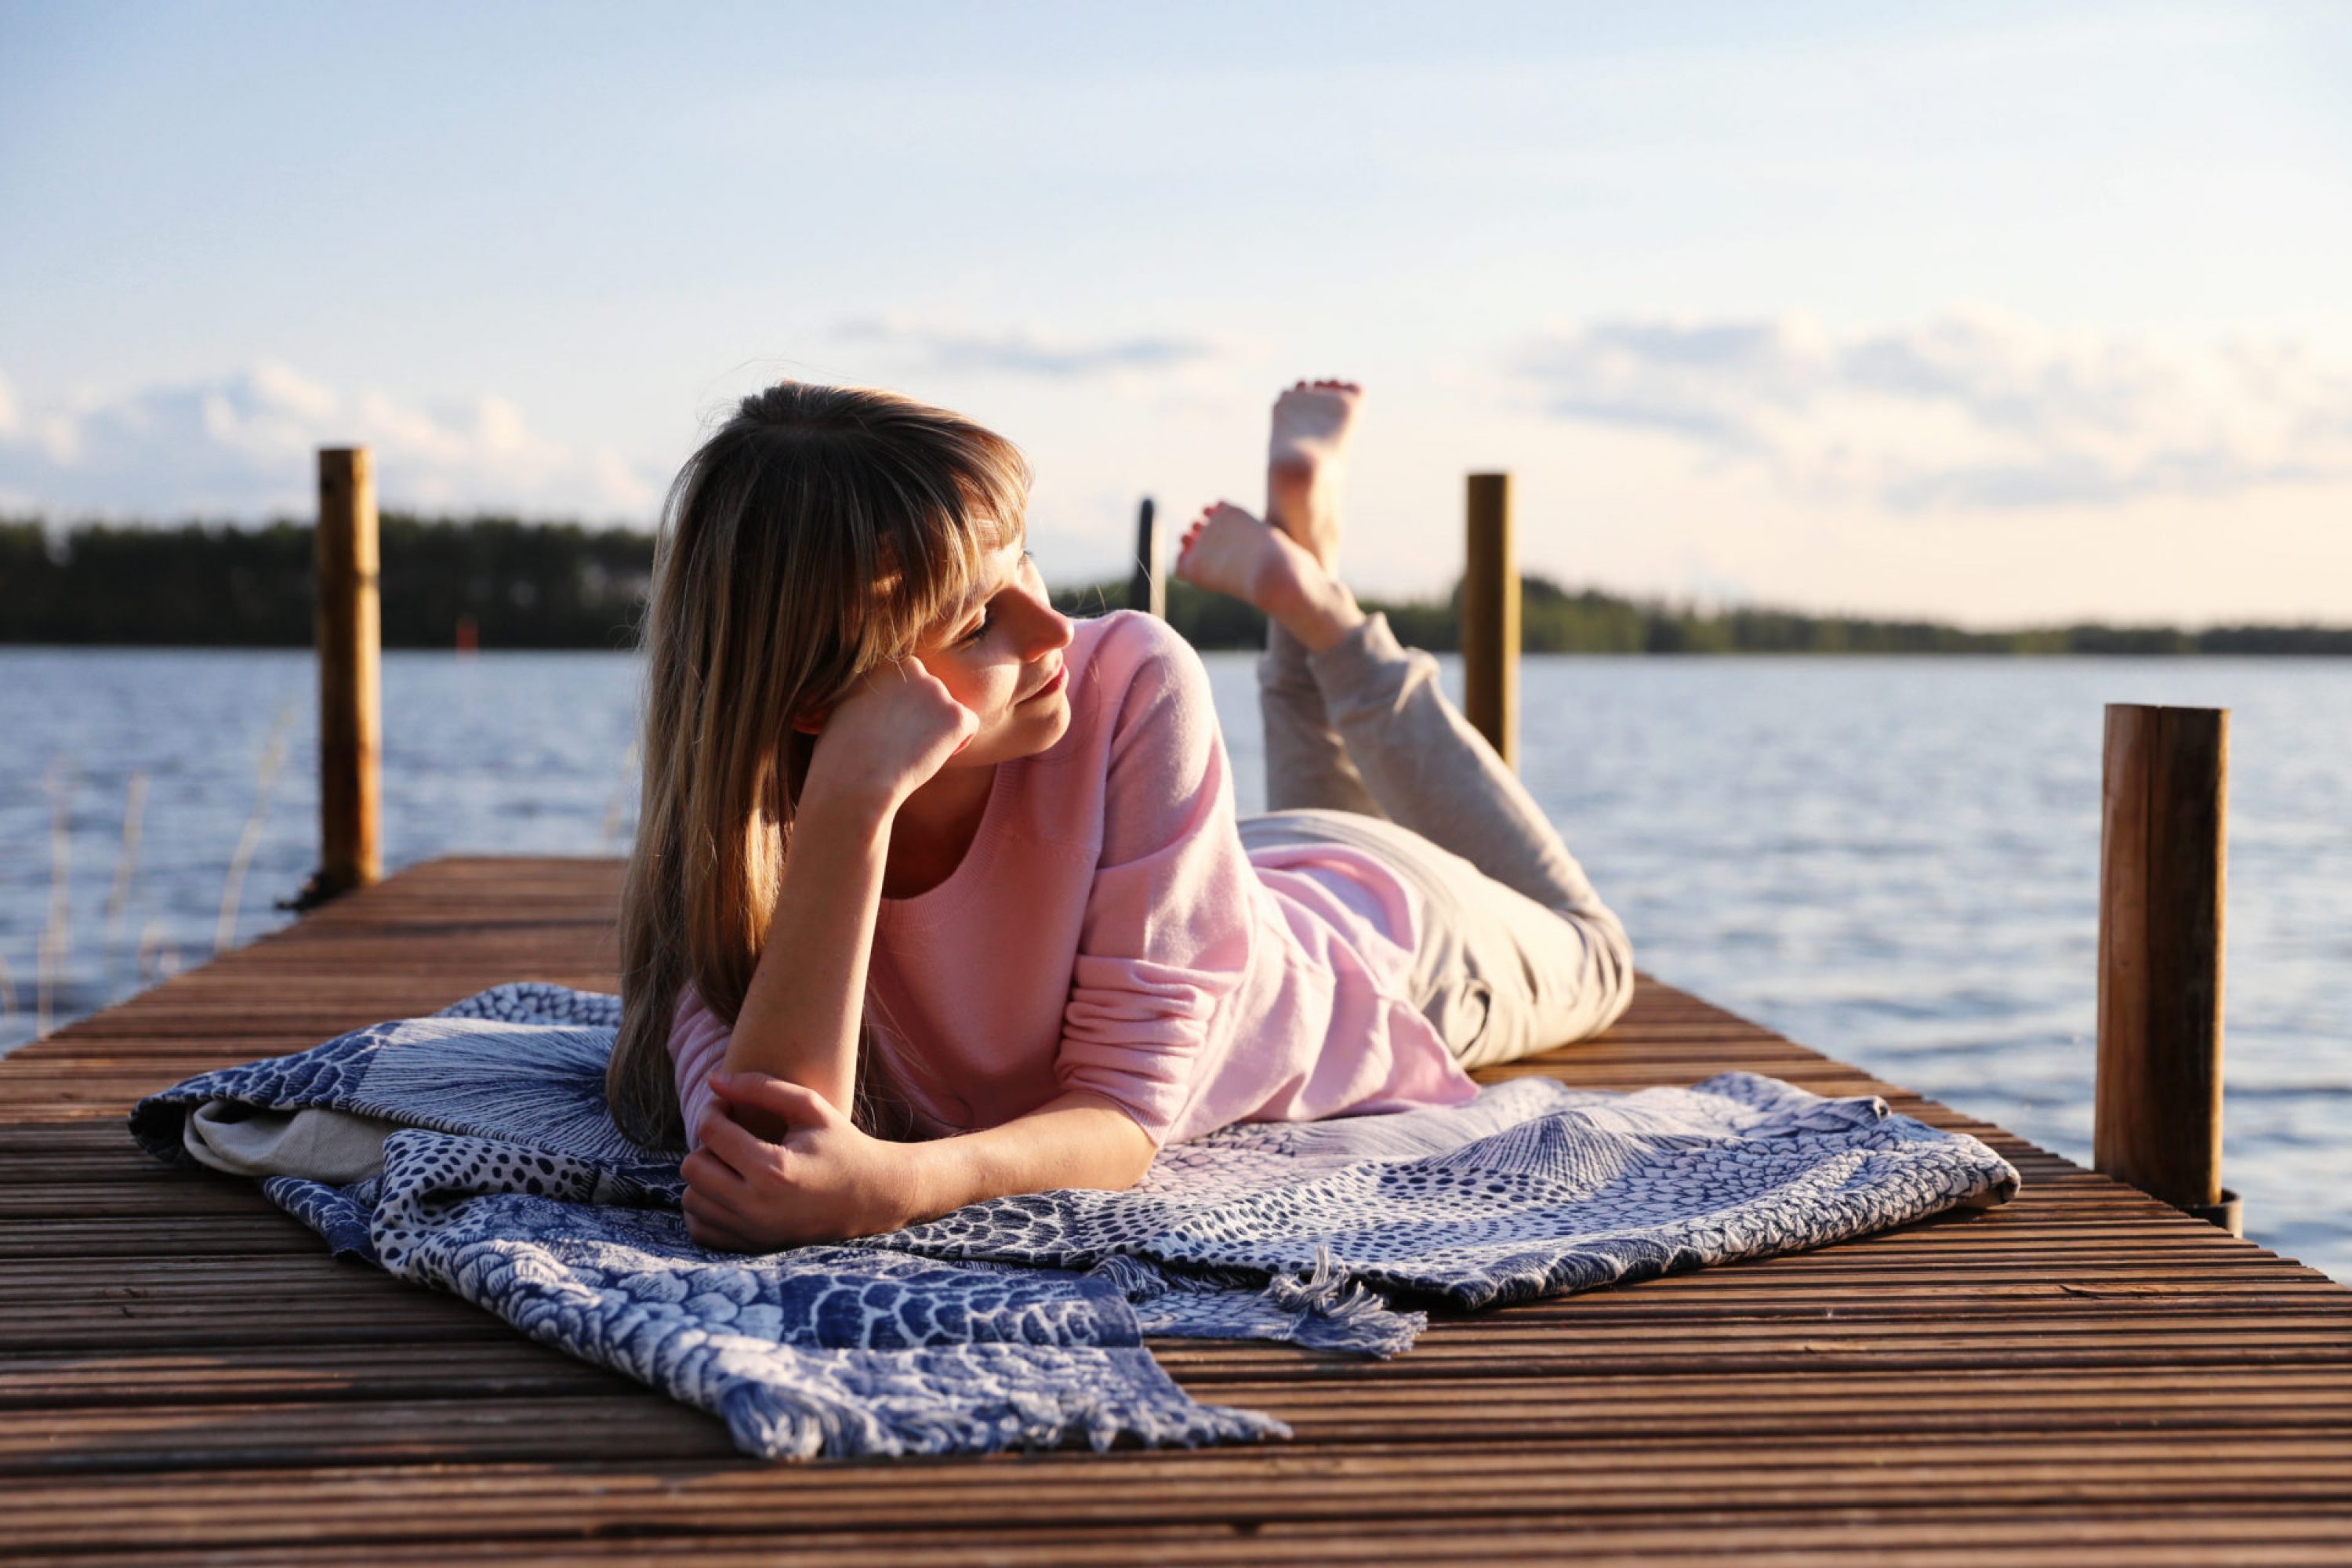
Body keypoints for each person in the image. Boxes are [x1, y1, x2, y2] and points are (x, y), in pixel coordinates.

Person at [606, 379, 1635, 1253]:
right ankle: (1300, 568)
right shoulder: (751, 848)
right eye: (978, 619)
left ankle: (1318, 612)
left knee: (1598, 957)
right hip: (1206, 893)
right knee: (1295, 845)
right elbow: (774, 1160)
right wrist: (849, 811)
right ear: (817, 703)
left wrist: (897, 1187)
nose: (1053, 624)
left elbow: (1122, 1123)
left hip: (1375, 944)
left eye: (1027, 564)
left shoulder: (1131, 675)